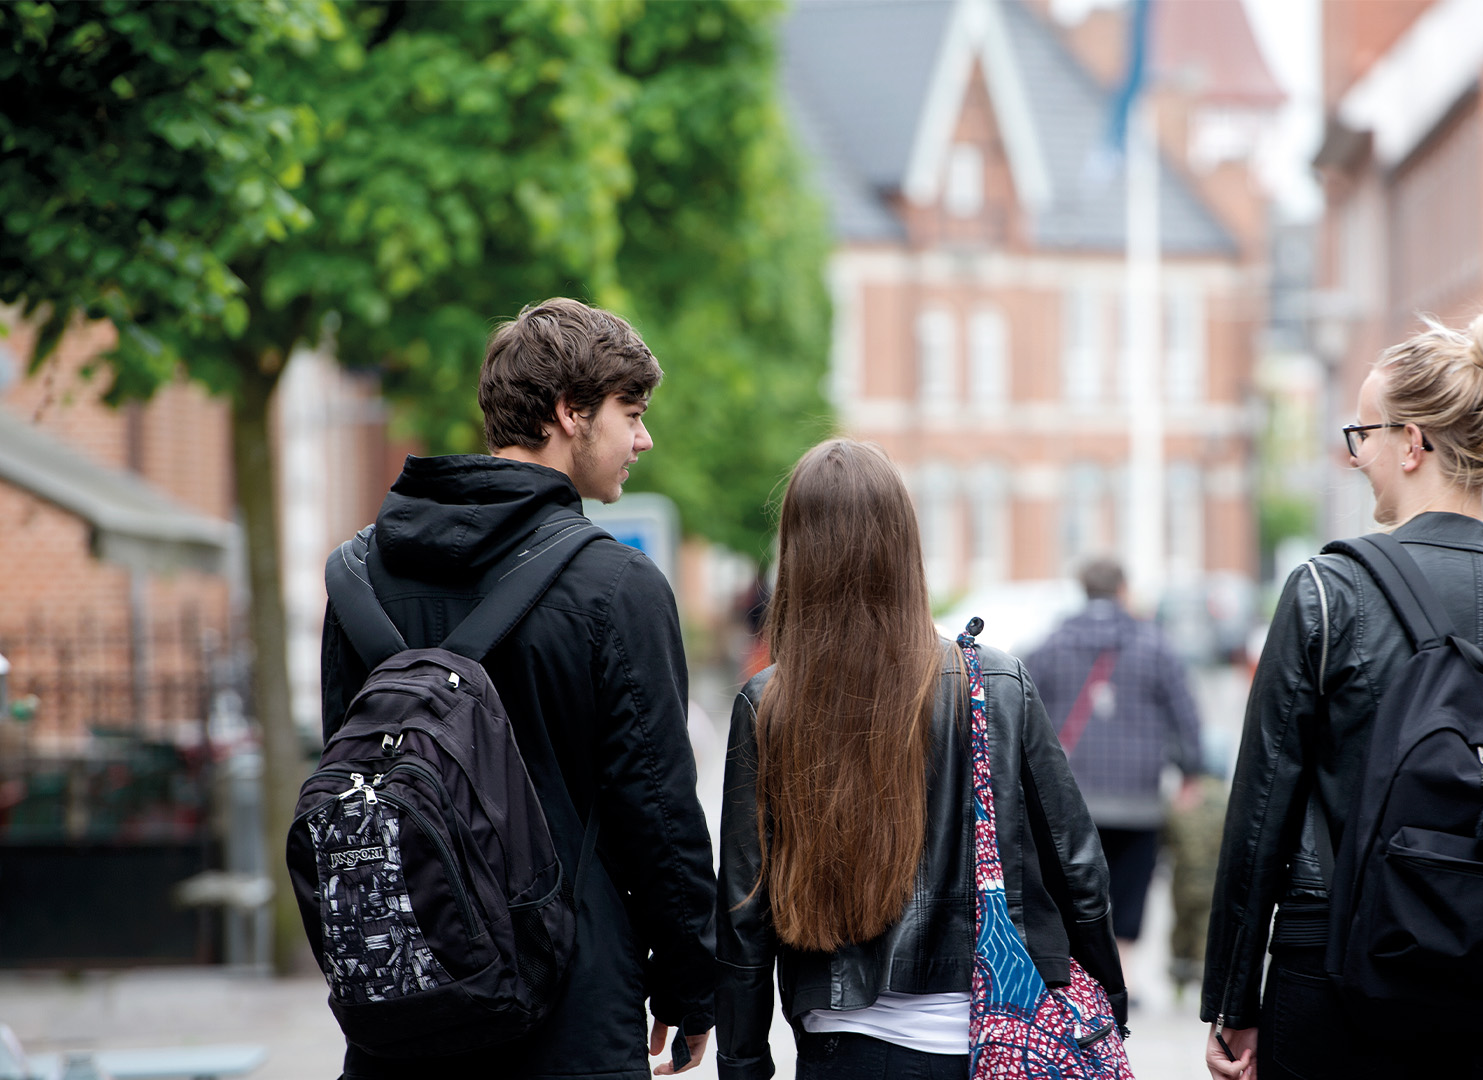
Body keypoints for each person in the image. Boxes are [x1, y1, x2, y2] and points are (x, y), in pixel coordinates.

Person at [1199, 308, 1483, 1080]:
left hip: (1337, 976)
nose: (1355, 458)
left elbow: (1262, 815)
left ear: (1413, 442)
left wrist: (1233, 1003)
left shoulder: (1330, 593)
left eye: (1363, 436)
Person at [320, 298, 719, 1079]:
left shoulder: (357, 579)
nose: (644, 438)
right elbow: (659, 813)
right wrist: (688, 983)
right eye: (630, 413)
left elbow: (347, 777)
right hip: (570, 1004)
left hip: (407, 995)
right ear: (571, 413)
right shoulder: (617, 586)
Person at [715, 439, 1127, 1080]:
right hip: (990, 1040)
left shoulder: (769, 704)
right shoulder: (994, 683)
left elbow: (744, 909)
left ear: (797, 554)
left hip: (839, 1047)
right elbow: (1079, 869)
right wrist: (1108, 1006)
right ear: (904, 545)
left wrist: (743, 1060)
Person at [1028, 556, 1205, 987]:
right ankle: (1119, 973)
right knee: (1130, 883)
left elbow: (1021, 709)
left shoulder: (1050, 645)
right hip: (1138, 795)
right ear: (1122, 590)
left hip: (1070, 797)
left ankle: (1078, 975)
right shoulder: (1155, 643)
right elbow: (1184, 713)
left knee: (1071, 882)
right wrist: (1191, 771)